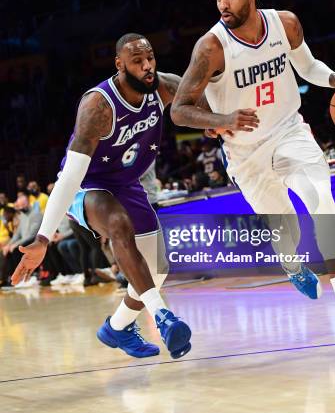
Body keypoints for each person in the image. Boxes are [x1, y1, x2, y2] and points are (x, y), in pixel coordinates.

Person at [171, 0, 335, 343]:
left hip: (288, 131)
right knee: (288, 232)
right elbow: (180, 109)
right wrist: (223, 117)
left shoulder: (285, 24)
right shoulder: (211, 46)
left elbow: (308, 67)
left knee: (320, 198)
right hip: (245, 153)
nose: (222, 5)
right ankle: (291, 262)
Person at [11, 33, 198, 359]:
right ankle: (164, 317)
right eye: (137, 61)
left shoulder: (163, 87)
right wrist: (43, 237)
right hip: (87, 185)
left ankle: (117, 327)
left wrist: (218, 123)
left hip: (127, 183)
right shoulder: (98, 106)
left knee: (156, 270)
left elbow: (202, 97)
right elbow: (70, 176)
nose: (147, 66)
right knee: (117, 224)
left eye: (149, 57)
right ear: (119, 65)